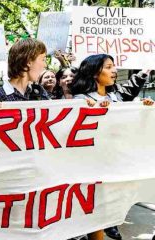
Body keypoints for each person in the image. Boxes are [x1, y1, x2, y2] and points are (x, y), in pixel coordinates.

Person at [70, 54, 154, 240]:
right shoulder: (80, 99)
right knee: (96, 213)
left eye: (114, 67)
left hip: (115, 162)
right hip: (93, 165)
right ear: (94, 73)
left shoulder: (115, 96)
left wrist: (144, 109)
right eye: (109, 67)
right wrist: (92, 110)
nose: (114, 71)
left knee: (108, 209)